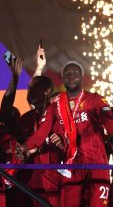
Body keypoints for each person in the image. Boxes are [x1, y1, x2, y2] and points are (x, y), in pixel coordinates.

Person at [20, 61, 113, 206]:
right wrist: (25, 147)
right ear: (62, 79)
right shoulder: (56, 104)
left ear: (82, 78)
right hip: (71, 167)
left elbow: (108, 119)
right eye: (68, 74)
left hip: (96, 165)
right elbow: (42, 131)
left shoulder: (94, 99)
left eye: (76, 73)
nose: (71, 76)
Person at [16, 75, 63, 207]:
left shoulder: (59, 114)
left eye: (33, 88)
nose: (29, 92)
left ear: (47, 91)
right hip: (30, 184)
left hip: (56, 184)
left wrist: (63, 143)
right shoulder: (26, 119)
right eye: (28, 88)